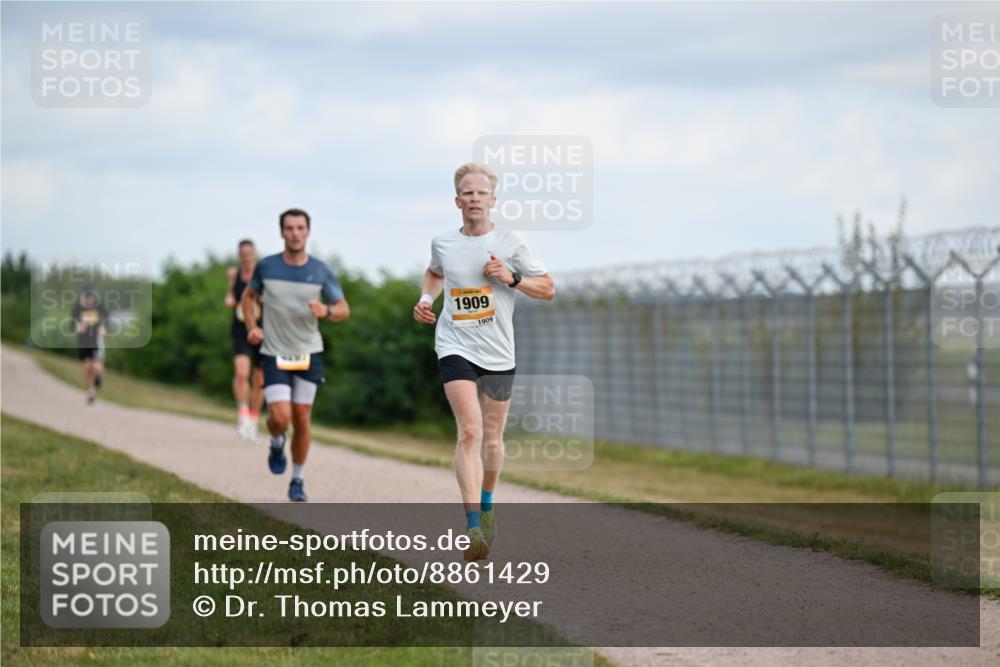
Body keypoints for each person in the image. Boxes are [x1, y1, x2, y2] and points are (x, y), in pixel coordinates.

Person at [413, 163, 555, 560]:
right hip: (455, 344)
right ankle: (472, 527)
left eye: (481, 193)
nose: (475, 199)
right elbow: (434, 272)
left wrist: (511, 279)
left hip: (498, 351)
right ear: (457, 201)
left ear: (493, 200)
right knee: (470, 431)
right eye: (468, 193)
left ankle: (488, 503)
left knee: (492, 437)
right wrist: (427, 300)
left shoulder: (511, 242)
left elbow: (548, 289)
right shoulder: (443, 243)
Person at [241, 208, 350, 502]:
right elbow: (248, 298)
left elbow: (343, 309)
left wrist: (326, 310)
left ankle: (297, 480)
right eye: (289, 228)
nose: (295, 233)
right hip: (274, 351)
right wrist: (252, 326)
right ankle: (277, 441)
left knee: (301, 419)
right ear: (282, 232)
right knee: (280, 417)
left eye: (300, 228)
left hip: (308, 353)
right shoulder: (267, 267)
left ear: (308, 232)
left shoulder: (321, 270)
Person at [225, 239, 265, 440]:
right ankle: (242, 413)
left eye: (249, 254)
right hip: (241, 328)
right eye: (243, 254)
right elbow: (230, 297)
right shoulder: (235, 275)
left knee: (260, 379)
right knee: (242, 373)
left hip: (262, 329)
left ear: (255, 254)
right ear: (239, 255)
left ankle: (253, 419)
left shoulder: (263, 274)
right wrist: (230, 299)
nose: (246, 257)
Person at [73, 287, 108, 405]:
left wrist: (103, 329)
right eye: (86, 298)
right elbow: (72, 325)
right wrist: (77, 328)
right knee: (87, 367)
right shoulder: (78, 310)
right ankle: (91, 392)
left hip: (96, 342)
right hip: (83, 343)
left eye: (90, 298)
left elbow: (104, 324)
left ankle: (98, 377)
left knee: (96, 366)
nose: (88, 300)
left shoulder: (97, 310)